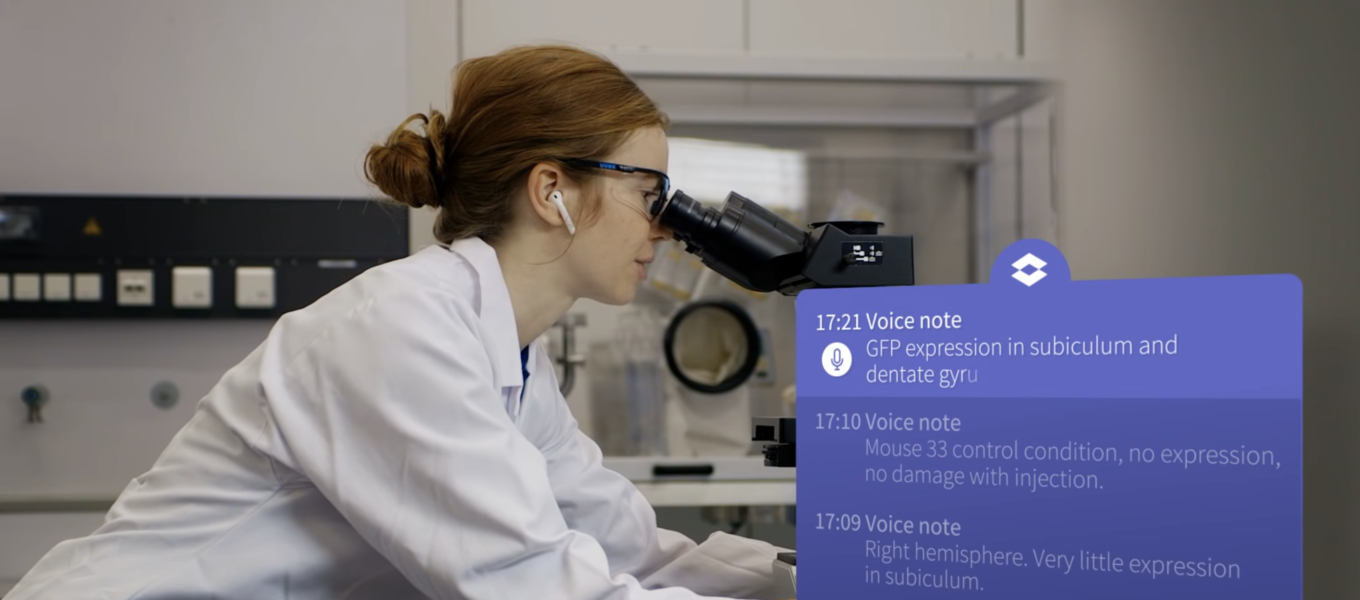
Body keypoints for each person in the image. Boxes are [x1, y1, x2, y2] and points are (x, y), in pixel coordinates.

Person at [5, 44, 791, 600]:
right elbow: (534, 583)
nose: (664, 227)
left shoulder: (511, 358)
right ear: (552, 189)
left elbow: (627, 547)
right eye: (650, 193)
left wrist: (798, 578)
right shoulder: (401, 328)